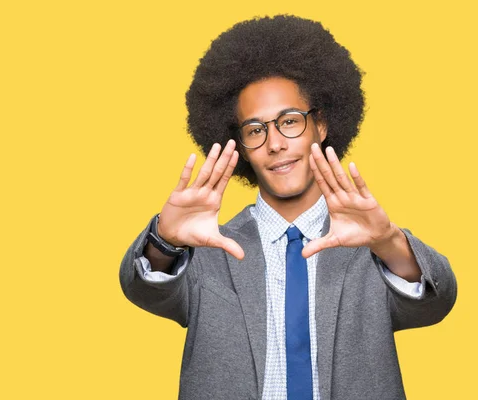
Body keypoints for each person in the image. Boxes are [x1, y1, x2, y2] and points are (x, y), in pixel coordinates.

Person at [119, 15, 456, 400]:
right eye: (255, 129)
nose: (275, 143)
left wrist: (389, 241)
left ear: (321, 125)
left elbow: (438, 302)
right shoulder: (209, 248)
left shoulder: (374, 245)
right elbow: (142, 289)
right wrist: (164, 241)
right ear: (241, 145)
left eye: (289, 121)